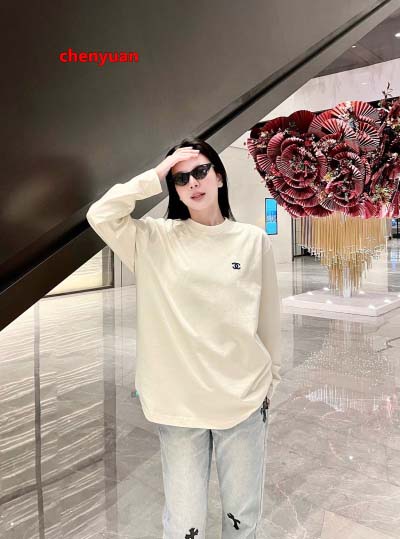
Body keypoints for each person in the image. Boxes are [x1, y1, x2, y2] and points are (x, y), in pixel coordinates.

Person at [86, 138, 281, 538]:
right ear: (172, 188)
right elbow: (101, 214)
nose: (193, 182)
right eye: (180, 178)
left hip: (242, 401)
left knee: (242, 519)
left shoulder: (252, 240)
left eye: (201, 171)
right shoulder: (153, 239)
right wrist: (156, 174)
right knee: (183, 524)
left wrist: (270, 382)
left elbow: (268, 321)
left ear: (220, 176)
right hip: (178, 407)